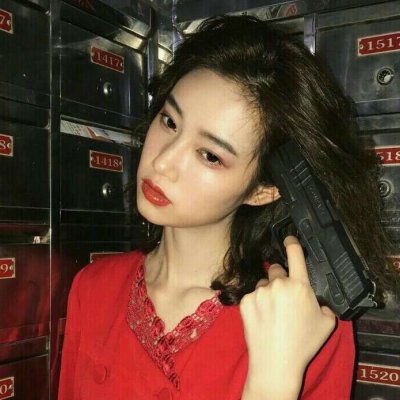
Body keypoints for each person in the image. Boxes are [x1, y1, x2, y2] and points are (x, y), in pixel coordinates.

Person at [58, 15, 396, 400]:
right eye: (169, 121)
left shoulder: (305, 321)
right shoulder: (94, 289)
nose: (163, 162)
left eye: (210, 155)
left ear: (264, 190)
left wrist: (274, 380)